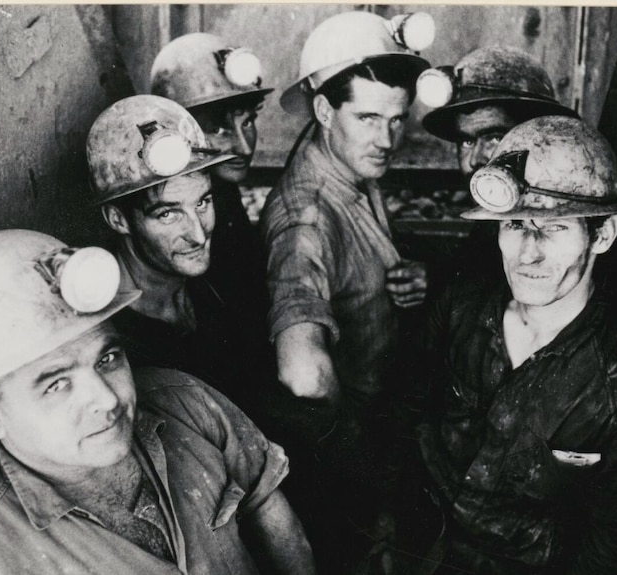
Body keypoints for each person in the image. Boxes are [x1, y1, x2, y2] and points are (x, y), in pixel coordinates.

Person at [0, 229, 315, 575]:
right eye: (56, 385)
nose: (107, 399)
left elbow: (268, 508)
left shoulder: (183, 400)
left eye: (107, 359)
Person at [416, 115, 617, 574]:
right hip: (420, 550)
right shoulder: (462, 304)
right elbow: (403, 418)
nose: (528, 253)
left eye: (554, 228)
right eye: (515, 225)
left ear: (603, 234)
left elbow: (610, 551)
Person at [258, 10, 439, 572]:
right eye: (366, 118)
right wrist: (360, 460)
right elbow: (303, 370)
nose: (387, 139)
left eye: (396, 118)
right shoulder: (306, 218)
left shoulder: (352, 168)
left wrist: (405, 281)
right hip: (355, 454)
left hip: (384, 422)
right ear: (322, 110)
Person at [86, 94, 276, 417]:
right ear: (118, 219)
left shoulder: (208, 284)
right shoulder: (114, 339)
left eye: (202, 203)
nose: (199, 234)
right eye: (168, 215)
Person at [417, 46, 579, 284]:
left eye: (494, 138)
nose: (475, 159)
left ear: (538, 137)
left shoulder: (562, 220)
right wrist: (434, 276)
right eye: (467, 141)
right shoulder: (493, 213)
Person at [150, 33, 272, 318]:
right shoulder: (180, 212)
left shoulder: (223, 192)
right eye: (218, 130)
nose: (244, 146)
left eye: (248, 122)